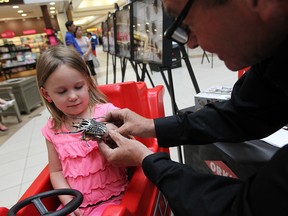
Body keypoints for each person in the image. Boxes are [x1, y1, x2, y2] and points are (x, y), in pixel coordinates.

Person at [97, 0, 288, 216]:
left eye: (187, 24)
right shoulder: (276, 58)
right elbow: (244, 113)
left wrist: (148, 160)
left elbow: (243, 209)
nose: (191, 44)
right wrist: (151, 126)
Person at [36, 45, 128, 215]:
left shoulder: (106, 113)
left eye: (78, 87)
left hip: (112, 201)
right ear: (47, 94)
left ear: (88, 82)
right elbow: (56, 171)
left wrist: (107, 132)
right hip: (74, 204)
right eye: (62, 91)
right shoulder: (52, 129)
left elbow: (131, 149)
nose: (72, 96)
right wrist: (69, 203)